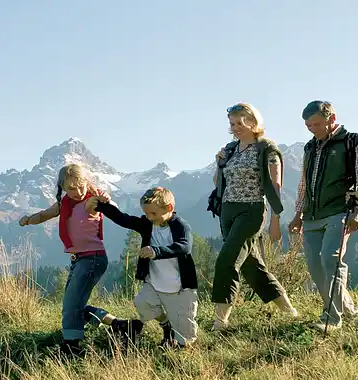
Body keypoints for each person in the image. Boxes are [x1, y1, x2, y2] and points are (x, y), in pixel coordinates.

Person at [18, 163, 134, 356]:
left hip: (93, 259)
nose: (78, 191)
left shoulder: (91, 201)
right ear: (62, 187)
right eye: (71, 188)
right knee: (73, 304)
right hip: (80, 259)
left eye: (81, 185)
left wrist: (104, 200)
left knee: (71, 305)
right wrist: (28, 219)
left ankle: (71, 347)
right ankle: (121, 325)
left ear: (86, 182)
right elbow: (45, 215)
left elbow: (105, 206)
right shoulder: (65, 204)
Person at [287, 100, 358, 331]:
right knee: (315, 265)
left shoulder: (354, 142)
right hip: (312, 215)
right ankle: (344, 306)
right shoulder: (309, 147)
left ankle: (332, 318)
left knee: (331, 259)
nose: (312, 129)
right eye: (308, 125)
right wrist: (298, 213)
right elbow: (304, 184)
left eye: (316, 124)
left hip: (340, 210)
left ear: (332, 119)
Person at [209, 102, 298, 331]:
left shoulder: (266, 148)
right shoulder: (230, 149)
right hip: (227, 210)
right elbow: (218, 183)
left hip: (252, 210)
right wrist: (218, 164)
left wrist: (276, 220)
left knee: (227, 260)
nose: (235, 128)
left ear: (253, 121)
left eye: (240, 123)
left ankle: (221, 321)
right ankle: (289, 310)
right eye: (232, 124)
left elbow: (276, 185)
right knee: (251, 266)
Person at [89, 186, 199, 348]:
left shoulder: (180, 226)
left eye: (153, 213)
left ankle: (182, 351)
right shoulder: (148, 224)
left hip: (180, 288)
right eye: (146, 213)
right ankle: (166, 324)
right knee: (143, 303)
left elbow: (184, 247)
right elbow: (124, 219)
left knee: (185, 335)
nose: (149, 217)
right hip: (154, 282)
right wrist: (102, 206)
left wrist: (156, 251)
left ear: (169, 208)